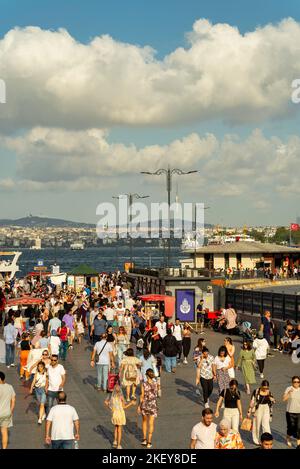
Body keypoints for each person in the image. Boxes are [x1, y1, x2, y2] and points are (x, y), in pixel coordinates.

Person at [104, 382, 135, 449]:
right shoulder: (121, 397)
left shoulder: (113, 397)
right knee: (119, 430)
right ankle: (118, 445)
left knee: (116, 428)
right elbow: (124, 407)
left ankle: (114, 441)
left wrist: (108, 405)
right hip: (120, 414)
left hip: (114, 414)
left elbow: (108, 404)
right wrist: (131, 403)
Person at [247, 379, 275, 446]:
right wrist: (249, 411)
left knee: (266, 424)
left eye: (267, 388)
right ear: (261, 386)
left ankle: (267, 439)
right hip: (258, 408)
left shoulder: (269, 392)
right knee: (257, 424)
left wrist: (270, 397)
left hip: (266, 408)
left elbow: (273, 401)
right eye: (264, 388)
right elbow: (252, 402)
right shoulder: (256, 391)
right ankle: (256, 440)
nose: (265, 389)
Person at [138, 368, 158, 449]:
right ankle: (149, 442)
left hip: (145, 404)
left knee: (144, 421)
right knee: (151, 423)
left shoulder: (144, 384)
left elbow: (142, 396)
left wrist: (139, 406)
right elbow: (157, 393)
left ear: (146, 375)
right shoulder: (156, 383)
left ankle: (144, 439)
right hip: (153, 404)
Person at [282, 375, 300, 448]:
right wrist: (289, 393)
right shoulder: (288, 388)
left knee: (299, 428)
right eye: (294, 382)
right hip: (290, 412)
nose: (296, 383)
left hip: (299, 412)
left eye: (298, 382)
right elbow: (284, 399)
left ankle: (298, 443)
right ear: (292, 382)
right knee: (291, 427)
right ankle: (288, 438)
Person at [0, 371, 16, 449]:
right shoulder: (10, 387)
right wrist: (11, 411)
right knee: (4, 432)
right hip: (6, 413)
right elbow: (13, 401)